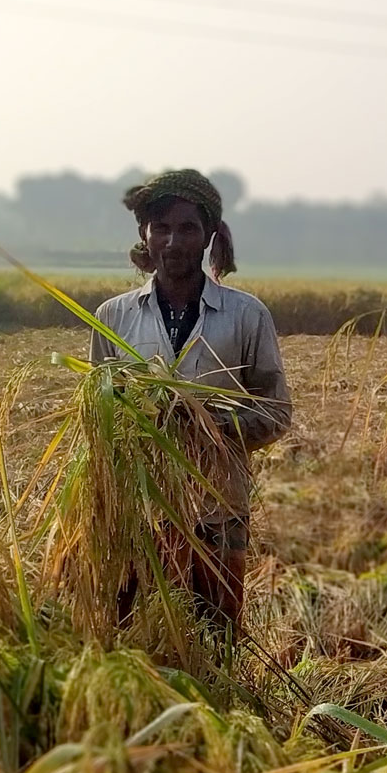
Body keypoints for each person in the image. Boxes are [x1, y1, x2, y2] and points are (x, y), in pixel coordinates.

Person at [90, 169, 291, 629]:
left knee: (216, 633)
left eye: (187, 229)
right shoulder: (112, 318)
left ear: (208, 238)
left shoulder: (245, 315)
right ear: (145, 234)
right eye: (160, 228)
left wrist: (208, 423)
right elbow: (98, 413)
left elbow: (276, 410)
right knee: (136, 630)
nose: (172, 241)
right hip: (139, 507)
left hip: (217, 509)